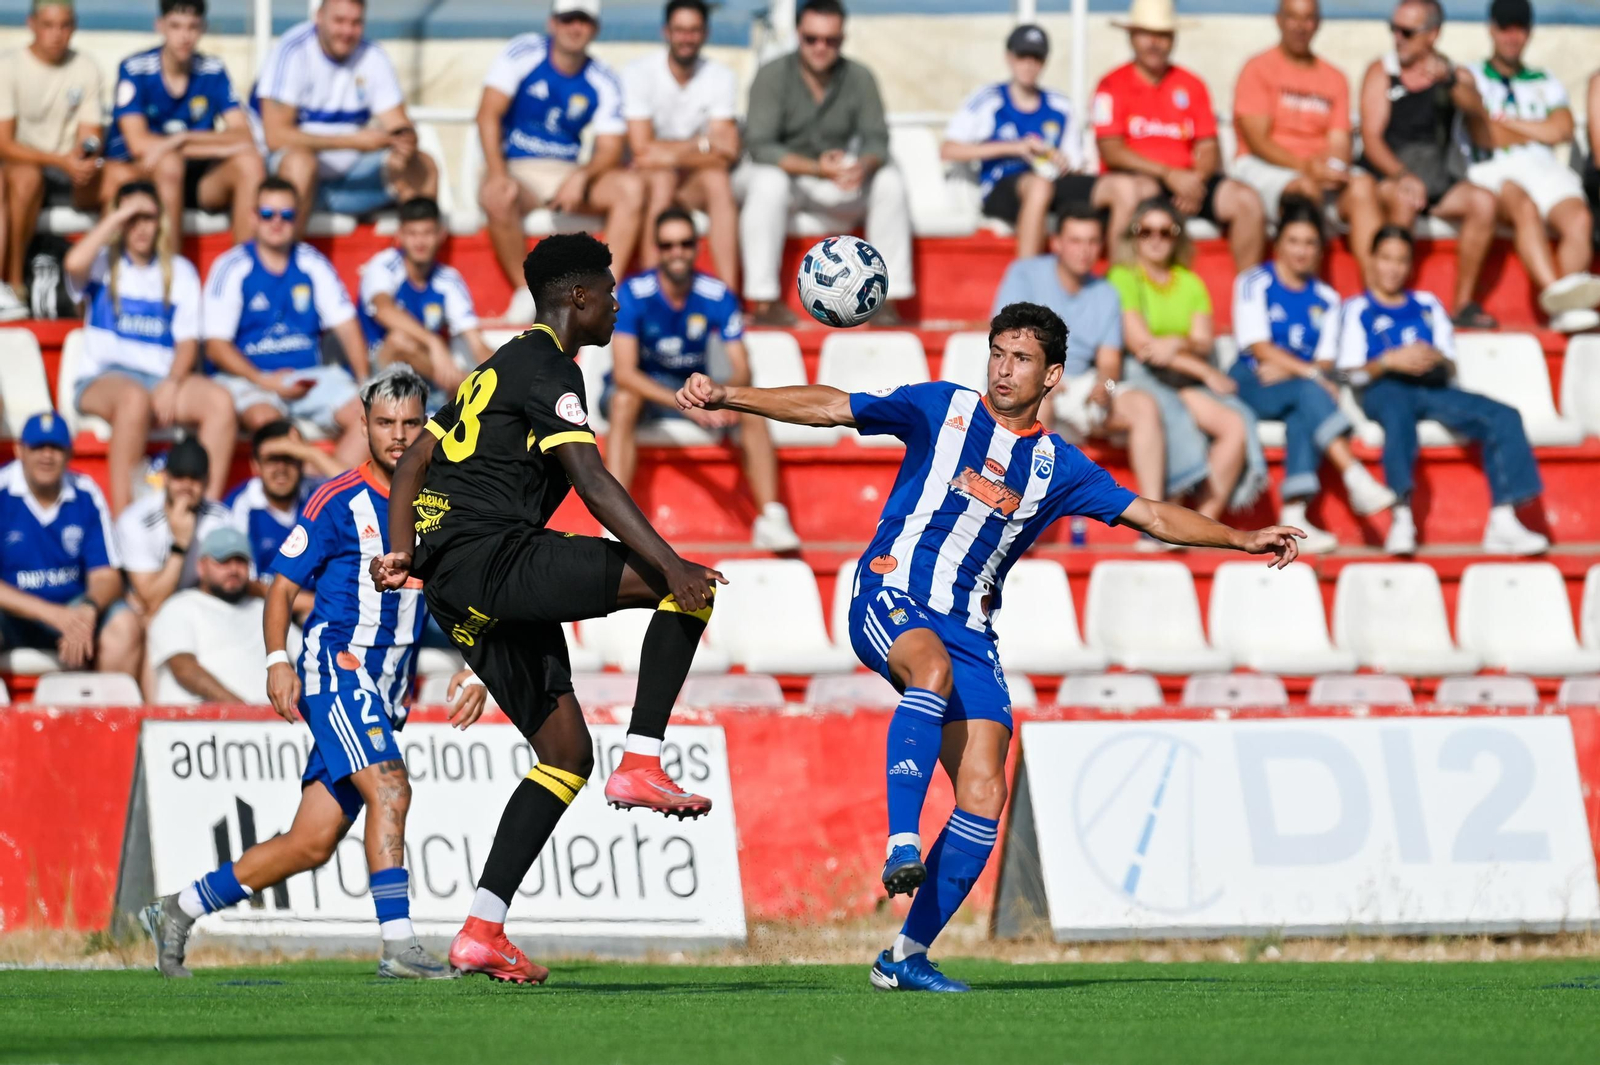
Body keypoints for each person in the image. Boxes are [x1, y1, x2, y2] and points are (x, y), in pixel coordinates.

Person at [676, 302, 1301, 991]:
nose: (1004, 369)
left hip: (970, 627)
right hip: (890, 592)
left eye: (1021, 358)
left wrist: (1241, 538)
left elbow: (1149, 514)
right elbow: (833, 407)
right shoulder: (940, 408)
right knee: (930, 668)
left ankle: (905, 956)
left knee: (983, 789)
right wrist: (731, 394)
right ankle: (902, 839)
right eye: (998, 353)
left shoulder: (1058, 465)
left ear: (1052, 374)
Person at [371, 233, 726, 985]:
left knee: (564, 755)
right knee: (689, 587)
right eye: (607, 289)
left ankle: (481, 931)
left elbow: (411, 462)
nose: (617, 300)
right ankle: (645, 759)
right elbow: (593, 481)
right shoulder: (550, 368)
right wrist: (671, 563)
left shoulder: (493, 365)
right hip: (493, 554)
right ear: (577, 298)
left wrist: (401, 549)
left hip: (450, 580)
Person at [140, 366, 480, 981]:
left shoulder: (442, 504)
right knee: (392, 789)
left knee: (311, 843)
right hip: (337, 668)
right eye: (384, 424)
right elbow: (281, 589)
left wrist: (478, 666)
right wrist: (277, 661)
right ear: (365, 427)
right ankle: (399, 948)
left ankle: (178, 910)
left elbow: (473, 591)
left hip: (387, 690)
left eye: (410, 423)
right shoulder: (337, 499)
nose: (399, 436)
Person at [1337, 225, 1548, 556]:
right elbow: (1351, 374)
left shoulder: (1426, 304)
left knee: (1503, 416)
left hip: (1430, 386)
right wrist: (1390, 361)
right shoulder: (1357, 308)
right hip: (1384, 388)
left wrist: (1429, 358)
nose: (1393, 268)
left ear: (1410, 265)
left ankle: (1504, 518)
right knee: (1397, 413)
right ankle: (1401, 514)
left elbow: (1449, 362)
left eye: (1401, 260)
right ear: (1373, 260)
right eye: (1387, 259)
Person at [607, 208, 800, 552]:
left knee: (752, 406)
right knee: (623, 400)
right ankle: (615, 523)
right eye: (667, 245)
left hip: (691, 388)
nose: (676, 252)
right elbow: (625, 373)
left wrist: (717, 394)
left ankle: (771, 517)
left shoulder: (717, 294)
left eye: (684, 243)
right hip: (647, 391)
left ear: (697, 246)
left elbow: (742, 368)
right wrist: (688, 407)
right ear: (656, 249)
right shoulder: (634, 293)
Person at [1231, 196, 1399, 553]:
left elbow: (1325, 361)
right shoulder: (1253, 281)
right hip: (1251, 382)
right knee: (1310, 392)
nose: (1301, 251)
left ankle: (1294, 515)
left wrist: (1297, 371)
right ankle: (1355, 476)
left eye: (1309, 243)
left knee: (1303, 406)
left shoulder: (1327, 297)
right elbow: (1258, 348)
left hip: (1294, 388)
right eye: (1293, 241)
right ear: (1278, 243)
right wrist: (1306, 371)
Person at [63, 181, 235, 515]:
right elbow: (72, 263)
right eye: (132, 218)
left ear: (161, 221)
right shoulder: (102, 263)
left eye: (148, 217)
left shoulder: (180, 270)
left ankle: (202, 516)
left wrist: (172, 381)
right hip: (102, 378)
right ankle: (123, 521)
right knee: (134, 400)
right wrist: (118, 215)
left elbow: (187, 342)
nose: (141, 227)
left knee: (220, 403)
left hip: (159, 378)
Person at [739, 0, 914, 326]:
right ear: (798, 34)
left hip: (840, 180)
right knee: (766, 182)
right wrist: (819, 168)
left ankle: (888, 300)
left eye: (830, 40)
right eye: (812, 39)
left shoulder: (860, 77)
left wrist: (862, 166)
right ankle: (763, 302)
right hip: (790, 180)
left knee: (889, 180)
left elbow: (878, 139)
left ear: (842, 38)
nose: (821, 47)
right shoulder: (772, 75)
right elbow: (760, 146)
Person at [477, 0, 643, 322]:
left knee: (632, 188)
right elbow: (487, 115)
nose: (575, 27)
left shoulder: (603, 77)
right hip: (517, 168)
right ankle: (526, 292)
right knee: (498, 192)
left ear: (594, 28)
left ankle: (605, 288)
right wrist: (498, 174)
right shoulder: (522, 52)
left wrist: (581, 176)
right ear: (552, 23)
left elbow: (610, 146)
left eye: (583, 20)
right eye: (568, 18)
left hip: (566, 170)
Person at [991, 204, 1165, 502]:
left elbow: (1109, 361)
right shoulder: (1025, 274)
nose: (1084, 250)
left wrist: (1106, 386)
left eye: (1092, 241)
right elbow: (1007, 339)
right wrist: (1043, 379)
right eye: (1075, 240)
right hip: (1030, 376)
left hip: (1079, 382)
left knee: (1143, 406)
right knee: (1035, 406)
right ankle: (1018, 522)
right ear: (1056, 242)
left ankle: (1155, 521)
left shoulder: (1106, 292)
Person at [1109, 196, 1265, 524]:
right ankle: (1171, 516)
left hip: (1178, 378)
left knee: (1235, 425)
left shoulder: (1190, 282)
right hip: (1143, 376)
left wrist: (1176, 343)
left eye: (1165, 231)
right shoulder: (1123, 278)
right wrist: (1203, 369)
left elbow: (1200, 340)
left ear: (1177, 236)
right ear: (1133, 236)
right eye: (1145, 231)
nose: (1155, 239)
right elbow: (1143, 348)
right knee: (1174, 415)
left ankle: (1200, 523)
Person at [203, 177, 371, 468]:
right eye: (268, 214)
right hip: (250, 379)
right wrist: (265, 381)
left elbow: (346, 325)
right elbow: (216, 347)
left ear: (297, 219)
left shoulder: (312, 263)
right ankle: (312, 488)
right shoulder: (231, 266)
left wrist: (366, 382)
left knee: (371, 417)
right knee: (266, 421)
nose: (277, 222)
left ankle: (332, 497)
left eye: (287, 215)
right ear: (253, 217)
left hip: (307, 376)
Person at [1093, 0, 1265, 271]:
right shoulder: (1111, 84)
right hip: (1138, 180)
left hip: (1187, 179)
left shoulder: (1192, 84)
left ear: (1173, 39)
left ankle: (1247, 301)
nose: (1155, 42)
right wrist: (1168, 174)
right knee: (1131, 193)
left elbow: (1209, 146)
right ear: (1131, 36)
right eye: (1147, 33)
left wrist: (1195, 182)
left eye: (1163, 34)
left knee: (1247, 201)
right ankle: (1120, 296)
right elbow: (1111, 150)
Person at [1357, 0, 1498, 329]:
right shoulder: (1382, 71)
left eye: (1406, 31)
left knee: (1484, 202)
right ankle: (1390, 303)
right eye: (1393, 29)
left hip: (1435, 179)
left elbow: (1477, 112)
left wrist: (1448, 80)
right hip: (1391, 174)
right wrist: (1403, 176)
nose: (1397, 38)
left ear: (1432, 34)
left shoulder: (1453, 75)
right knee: (1404, 200)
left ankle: (1462, 304)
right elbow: (1372, 139)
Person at [1467, 0, 1600, 334]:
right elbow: (1485, 135)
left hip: (1543, 168)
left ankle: (1564, 306)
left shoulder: (1544, 78)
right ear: (1491, 29)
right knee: (1521, 205)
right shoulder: (1471, 75)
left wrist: (1509, 122)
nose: (1512, 37)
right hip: (1494, 169)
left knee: (1579, 217)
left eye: (1520, 28)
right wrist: (1537, 127)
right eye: (1505, 27)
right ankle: (1560, 296)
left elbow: (1563, 130)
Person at [942, 24, 1130, 261]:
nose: (1029, 64)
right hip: (1002, 186)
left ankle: (1121, 282)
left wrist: (1064, 162)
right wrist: (1016, 147)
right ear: (1009, 58)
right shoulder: (988, 99)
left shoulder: (1060, 105)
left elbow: (1076, 164)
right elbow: (948, 150)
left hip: (1051, 183)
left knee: (1123, 188)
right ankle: (1026, 284)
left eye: (1037, 58)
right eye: (1023, 56)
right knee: (1039, 187)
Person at [1232, 0, 1383, 281]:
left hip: (1314, 169)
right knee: (1305, 190)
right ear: (1278, 20)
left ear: (1318, 22)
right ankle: (1304, 296)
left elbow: (1339, 140)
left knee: (1363, 186)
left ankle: (1375, 297)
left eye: (1308, 19)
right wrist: (1306, 167)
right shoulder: (1258, 68)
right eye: (1293, 18)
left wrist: (1334, 169)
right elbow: (1257, 141)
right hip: (1265, 165)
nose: (1301, 27)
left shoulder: (1334, 77)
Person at [253, 0, 436, 232]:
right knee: (301, 163)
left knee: (424, 167)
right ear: (319, 17)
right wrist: (353, 142)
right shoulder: (292, 52)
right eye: (339, 21)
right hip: (290, 181)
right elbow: (276, 137)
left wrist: (405, 141)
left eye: (356, 23)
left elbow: (398, 122)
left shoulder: (374, 56)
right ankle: (288, 263)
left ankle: (416, 261)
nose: (348, 31)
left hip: (354, 180)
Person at [102, 0, 265, 245]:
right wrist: (204, 145)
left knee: (250, 162)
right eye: (176, 26)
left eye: (192, 27)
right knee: (169, 164)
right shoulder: (136, 69)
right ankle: (173, 276)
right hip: (145, 176)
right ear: (161, 26)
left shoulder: (213, 69)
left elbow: (244, 136)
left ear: (203, 28)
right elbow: (138, 144)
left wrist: (181, 139)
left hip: (197, 179)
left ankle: (244, 271)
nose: (184, 36)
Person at [0, 412, 139, 674]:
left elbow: (107, 576)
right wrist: (52, 614)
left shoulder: (86, 494)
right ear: (20, 450)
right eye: (38, 447)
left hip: (75, 611)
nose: (47, 455)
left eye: (56, 447)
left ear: (70, 453)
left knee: (125, 626)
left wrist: (88, 609)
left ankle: (103, 714)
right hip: (13, 616)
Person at [623, 0, 741, 289]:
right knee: (662, 179)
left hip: (689, 183)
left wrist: (664, 151)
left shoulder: (721, 77)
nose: (686, 38)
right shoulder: (639, 72)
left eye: (693, 30)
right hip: (652, 180)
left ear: (705, 33)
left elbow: (726, 153)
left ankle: (728, 296)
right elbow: (641, 152)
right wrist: (702, 144)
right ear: (666, 32)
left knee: (718, 181)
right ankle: (651, 293)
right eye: (680, 30)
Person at [0, 0, 103, 314]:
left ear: (74, 26)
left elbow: (91, 134)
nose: (57, 34)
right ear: (32, 24)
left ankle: (119, 288)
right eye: (48, 25)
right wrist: (61, 161)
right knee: (26, 177)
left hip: (66, 169)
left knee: (126, 181)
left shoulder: (86, 67)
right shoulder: (9, 67)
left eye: (64, 25)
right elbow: (4, 144)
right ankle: (14, 282)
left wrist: (86, 155)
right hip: (21, 167)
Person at [358, 196, 492, 402]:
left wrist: (509, 370)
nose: (420, 242)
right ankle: (473, 391)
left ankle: (478, 392)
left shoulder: (448, 279)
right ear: (399, 235)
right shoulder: (384, 265)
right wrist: (433, 342)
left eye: (427, 233)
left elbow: (477, 344)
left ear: (441, 234)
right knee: (400, 340)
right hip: (375, 371)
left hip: (424, 378)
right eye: (412, 234)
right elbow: (384, 310)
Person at [146, 525, 280, 703]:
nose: (233, 569)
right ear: (201, 567)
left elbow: (305, 654)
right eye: (223, 561)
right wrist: (244, 712)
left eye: (240, 561)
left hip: (274, 724)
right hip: (200, 724)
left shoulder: (263, 609)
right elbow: (184, 669)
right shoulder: (178, 607)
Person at [115, 436, 235, 616]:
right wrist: (179, 546)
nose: (187, 485)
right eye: (179, 476)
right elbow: (153, 602)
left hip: (199, 605)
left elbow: (230, 584)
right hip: (146, 611)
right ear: (165, 477)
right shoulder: (136, 521)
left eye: (195, 478)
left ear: (207, 481)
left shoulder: (221, 519)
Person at [225, 419, 343, 573]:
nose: (281, 468)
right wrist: (305, 598)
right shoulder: (239, 505)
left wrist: (311, 452)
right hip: (262, 597)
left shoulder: (316, 492)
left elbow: (359, 491)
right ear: (255, 464)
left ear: (301, 461)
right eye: (272, 459)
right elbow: (241, 581)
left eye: (289, 457)